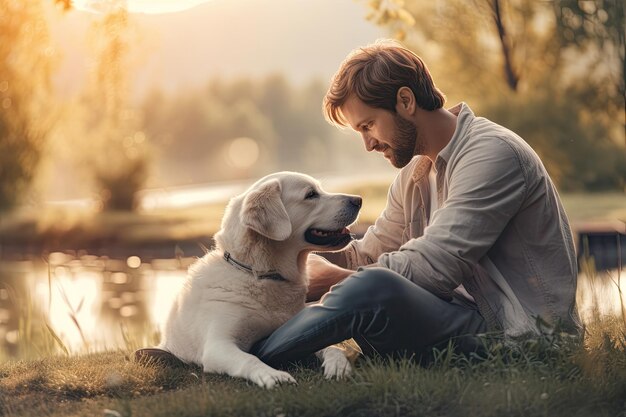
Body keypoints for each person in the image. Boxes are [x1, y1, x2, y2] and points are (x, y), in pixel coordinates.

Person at [249, 39, 580, 367]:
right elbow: (369, 254)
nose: (368, 144)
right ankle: (240, 341)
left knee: (372, 288)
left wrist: (336, 279)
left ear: (405, 101)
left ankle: (253, 357)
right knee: (368, 285)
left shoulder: (492, 154)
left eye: (368, 125)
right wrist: (303, 254)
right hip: (464, 318)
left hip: (527, 337)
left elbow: (435, 267)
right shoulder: (415, 173)